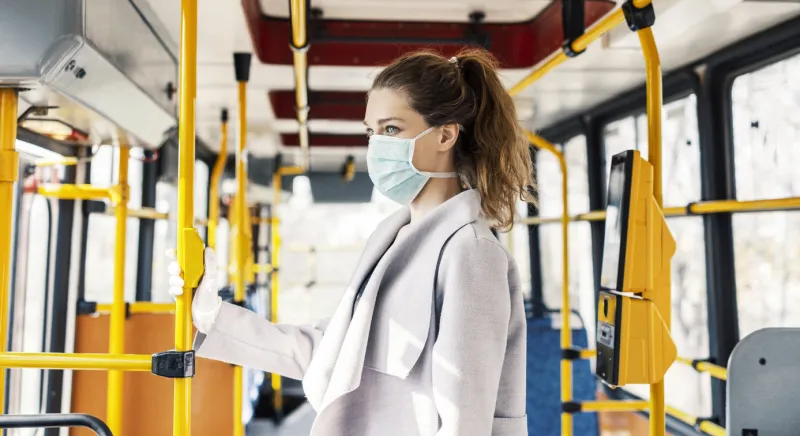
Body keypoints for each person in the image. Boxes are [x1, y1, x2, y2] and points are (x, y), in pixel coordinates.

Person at [169, 47, 535, 436]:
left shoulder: (470, 252)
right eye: (371, 131)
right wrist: (212, 316)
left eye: (391, 129)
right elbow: (333, 354)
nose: (377, 145)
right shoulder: (391, 240)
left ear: (445, 134)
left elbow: (465, 418)